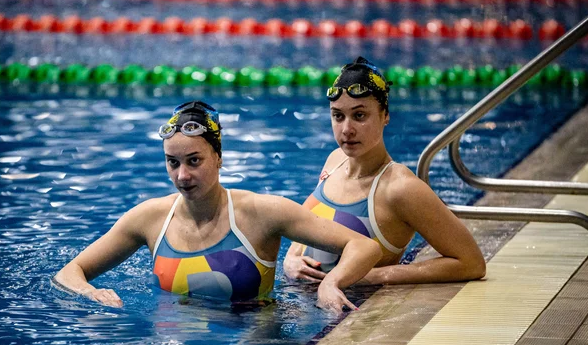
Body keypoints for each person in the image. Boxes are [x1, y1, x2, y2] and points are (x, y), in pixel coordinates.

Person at [54, 101, 383, 313]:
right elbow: (68, 272)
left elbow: (363, 246)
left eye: (194, 161)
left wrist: (332, 281)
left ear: (219, 158)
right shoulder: (150, 218)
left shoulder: (261, 212)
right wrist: (91, 294)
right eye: (173, 163)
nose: (182, 175)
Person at [283, 57, 486, 285]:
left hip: (352, 312)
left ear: (385, 115)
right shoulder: (335, 160)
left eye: (359, 116)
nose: (347, 129)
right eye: (338, 116)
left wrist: (373, 275)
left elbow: (471, 262)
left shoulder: (400, 188)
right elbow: (309, 227)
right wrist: (290, 258)